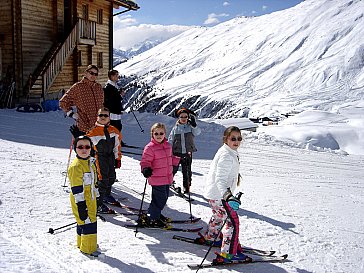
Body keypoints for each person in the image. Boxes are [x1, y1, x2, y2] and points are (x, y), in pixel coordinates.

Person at [197, 126, 252, 264]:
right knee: (232, 222)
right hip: (220, 195)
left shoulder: (228, 151)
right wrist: (227, 195)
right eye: (233, 138)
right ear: (226, 139)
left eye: (239, 138)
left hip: (214, 194)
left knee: (218, 215)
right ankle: (228, 253)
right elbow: (220, 178)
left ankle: (211, 236)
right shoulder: (227, 155)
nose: (236, 141)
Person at [139, 123, 180, 228]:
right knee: (160, 199)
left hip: (167, 177)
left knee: (163, 198)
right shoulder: (150, 148)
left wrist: (179, 160)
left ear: (165, 134)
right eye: (156, 133)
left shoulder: (167, 146)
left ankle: (154, 213)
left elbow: (170, 158)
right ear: (152, 134)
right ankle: (153, 218)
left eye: (161, 133)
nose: (158, 135)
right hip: (156, 178)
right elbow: (145, 161)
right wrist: (146, 169)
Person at [68, 135, 100, 257]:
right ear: (75, 148)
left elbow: (94, 183)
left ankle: (83, 243)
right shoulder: (76, 166)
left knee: (83, 221)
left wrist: (97, 197)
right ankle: (88, 249)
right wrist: (81, 205)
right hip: (81, 199)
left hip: (90, 198)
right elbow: (76, 189)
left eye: (87, 146)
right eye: (80, 147)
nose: (84, 149)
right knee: (88, 221)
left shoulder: (90, 162)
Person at [86, 107, 122, 214]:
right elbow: (84, 146)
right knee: (102, 180)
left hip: (110, 156)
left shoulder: (114, 131)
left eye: (105, 115)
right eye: (100, 115)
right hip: (99, 157)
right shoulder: (92, 132)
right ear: (97, 117)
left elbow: (117, 146)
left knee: (111, 178)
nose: (103, 117)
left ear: (109, 117)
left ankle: (106, 195)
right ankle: (98, 203)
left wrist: (117, 158)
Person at [60, 64, 104, 134]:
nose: (93, 76)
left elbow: (102, 105)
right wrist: (71, 114)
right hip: (84, 127)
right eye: (91, 73)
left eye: (96, 74)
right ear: (86, 73)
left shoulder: (98, 87)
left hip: (99, 126)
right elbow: (63, 102)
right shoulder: (78, 87)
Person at [168, 107, 201, 193]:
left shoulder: (190, 127)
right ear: (178, 118)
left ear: (188, 117)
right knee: (173, 169)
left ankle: (186, 187)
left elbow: (197, 132)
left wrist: (194, 125)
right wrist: (168, 150)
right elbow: (170, 139)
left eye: (185, 117)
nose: (183, 119)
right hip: (176, 153)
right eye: (181, 117)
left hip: (187, 153)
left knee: (186, 171)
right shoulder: (176, 128)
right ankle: (169, 181)